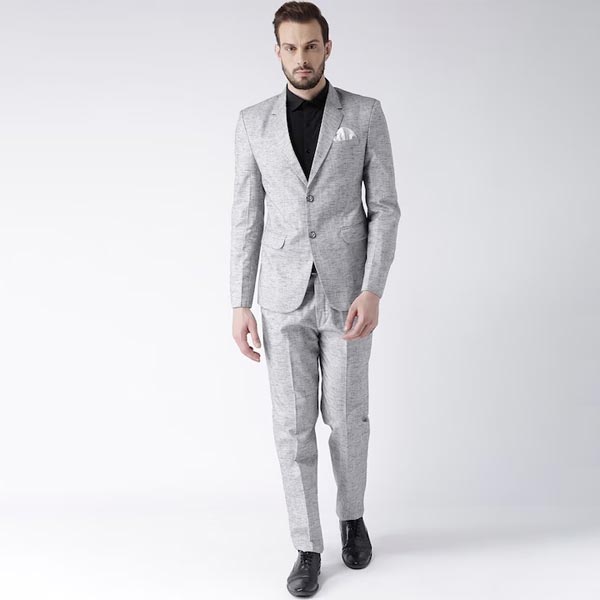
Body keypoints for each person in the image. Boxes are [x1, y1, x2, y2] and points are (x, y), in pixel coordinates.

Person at [230, 2, 400, 596]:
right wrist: (239, 301)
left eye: (310, 46)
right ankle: (307, 545)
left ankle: (352, 518)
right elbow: (246, 217)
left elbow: (384, 207)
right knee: (292, 426)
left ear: (328, 47)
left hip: (348, 294)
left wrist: (372, 288)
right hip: (280, 298)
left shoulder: (364, 114)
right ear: (277, 51)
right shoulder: (252, 123)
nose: (301, 58)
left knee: (349, 419)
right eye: (290, 47)